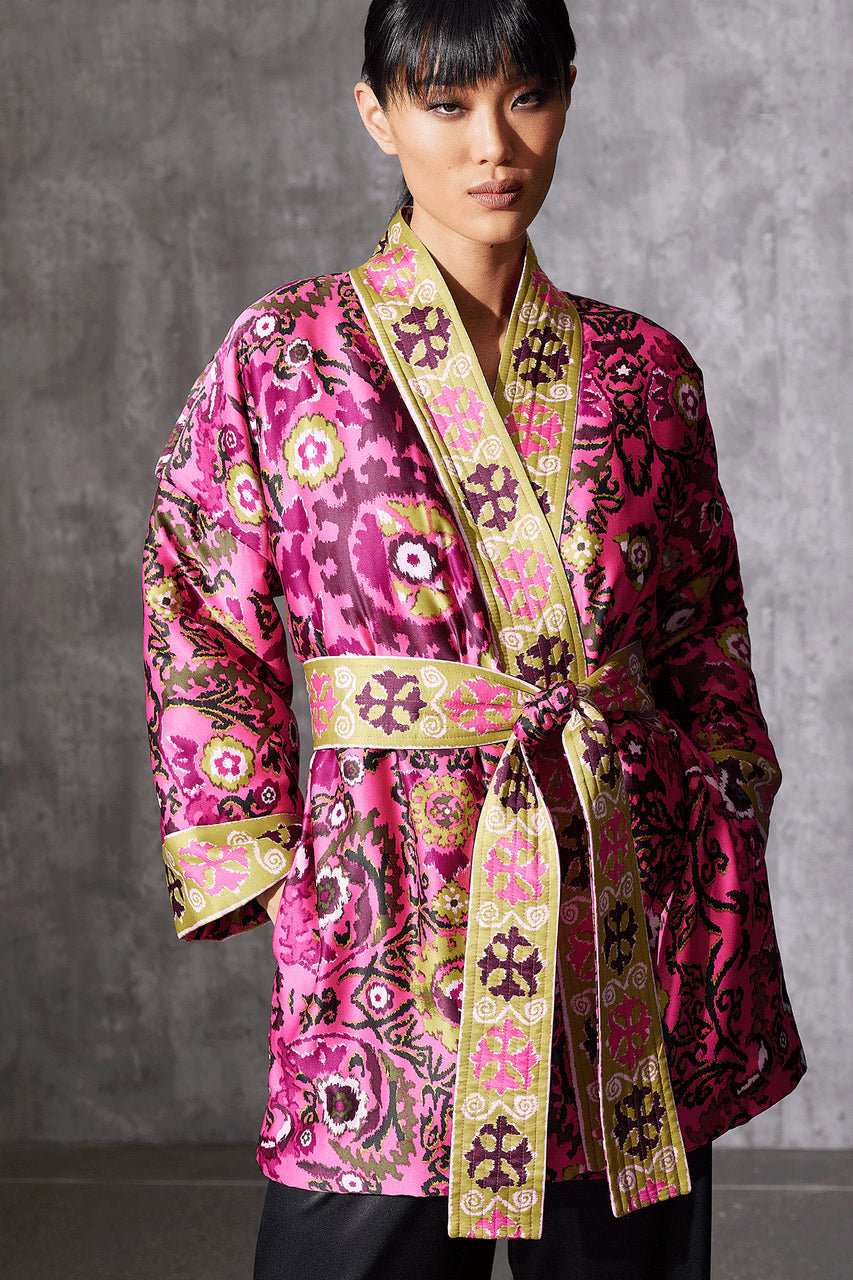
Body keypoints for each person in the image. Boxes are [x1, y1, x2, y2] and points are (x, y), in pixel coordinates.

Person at [142, 2, 806, 1276]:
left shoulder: (645, 370)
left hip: (622, 904)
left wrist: (725, 798)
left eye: (526, 98)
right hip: (392, 903)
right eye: (446, 105)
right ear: (376, 113)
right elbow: (194, 594)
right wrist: (258, 851)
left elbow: (701, 627)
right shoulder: (286, 355)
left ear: (568, 97)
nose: (492, 145)